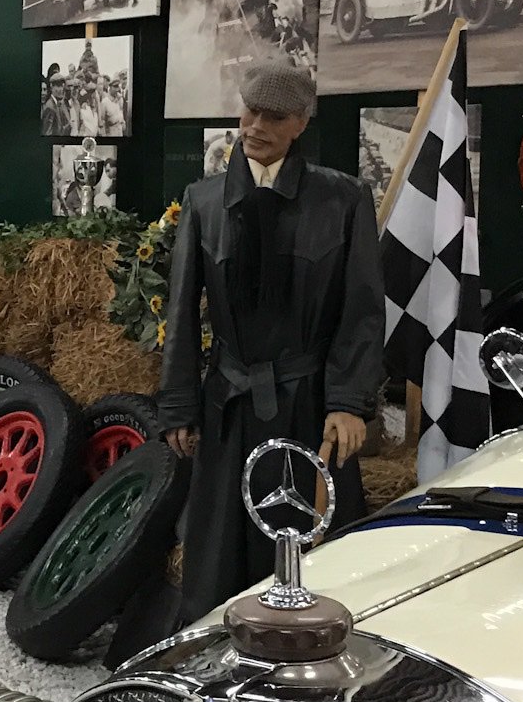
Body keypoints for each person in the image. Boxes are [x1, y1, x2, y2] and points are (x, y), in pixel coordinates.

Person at [121, 57, 384, 649]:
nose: (257, 126)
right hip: (229, 405)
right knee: (217, 549)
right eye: (251, 112)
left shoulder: (344, 199)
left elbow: (362, 309)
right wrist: (179, 404)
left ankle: (311, 659)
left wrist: (348, 402)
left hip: (309, 405)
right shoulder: (204, 201)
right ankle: (216, 655)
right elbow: (182, 310)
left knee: (313, 548)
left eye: (275, 116)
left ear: (301, 124)